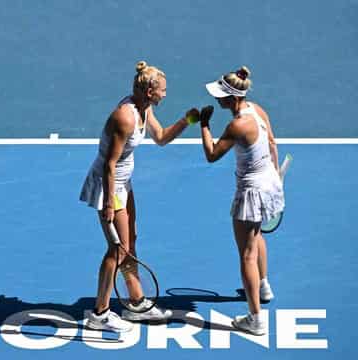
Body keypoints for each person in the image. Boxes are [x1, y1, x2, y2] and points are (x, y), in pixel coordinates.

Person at [80, 60, 199, 332]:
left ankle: (135, 302)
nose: (165, 94)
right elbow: (110, 164)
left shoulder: (143, 110)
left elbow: (161, 138)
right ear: (149, 92)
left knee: (129, 242)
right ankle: (100, 313)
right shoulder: (125, 117)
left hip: (123, 184)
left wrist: (187, 120)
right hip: (109, 186)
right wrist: (109, 203)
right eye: (163, 90)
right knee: (117, 249)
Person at [200, 66, 284, 335]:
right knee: (257, 235)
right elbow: (271, 143)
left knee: (246, 254)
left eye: (221, 95)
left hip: (251, 190)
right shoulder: (257, 110)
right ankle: (263, 286)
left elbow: (212, 154)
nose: (217, 99)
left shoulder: (237, 125)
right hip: (270, 182)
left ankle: (255, 319)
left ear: (233, 98)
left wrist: (203, 124)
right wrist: (275, 178)